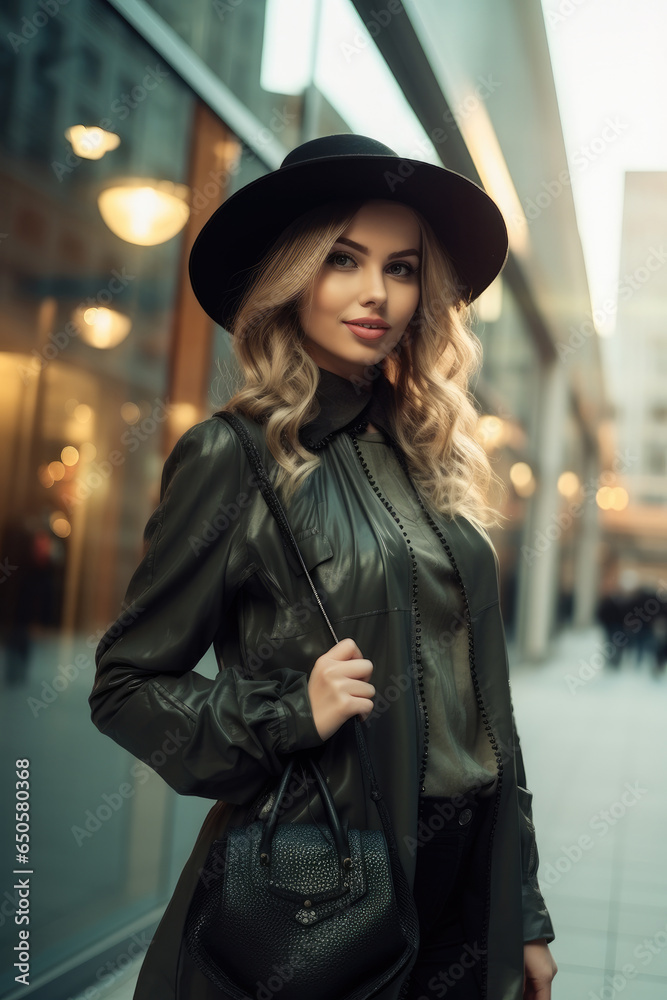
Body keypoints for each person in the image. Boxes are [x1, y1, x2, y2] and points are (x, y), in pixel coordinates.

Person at [89, 133, 557, 1000]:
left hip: (464, 881)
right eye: (343, 259)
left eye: (402, 267)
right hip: (330, 871)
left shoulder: (430, 458)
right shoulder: (232, 457)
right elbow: (125, 686)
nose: (376, 292)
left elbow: (488, 711)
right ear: (292, 276)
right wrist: (284, 713)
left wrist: (522, 911)